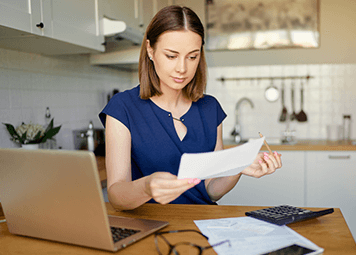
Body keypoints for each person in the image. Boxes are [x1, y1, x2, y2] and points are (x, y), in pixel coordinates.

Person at [99, 5, 282, 211]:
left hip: (203, 224)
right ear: (150, 50)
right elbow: (115, 194)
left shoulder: (210, 109)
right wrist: (146, 187)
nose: (182, 68)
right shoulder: (123, 108)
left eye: (192, 56)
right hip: (148, 227)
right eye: (171, 56)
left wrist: (239, 166)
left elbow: (211, 189)